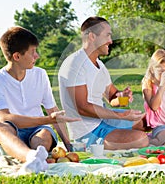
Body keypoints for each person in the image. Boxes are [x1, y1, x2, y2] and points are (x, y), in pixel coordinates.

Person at [0, 26, 79, 174]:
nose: (37, 56)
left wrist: (68, 145)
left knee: (44, 136)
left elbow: (53, 111)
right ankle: (32, 157)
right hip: (13, 132)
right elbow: (4, 117)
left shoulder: (40, 74)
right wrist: (46, 120)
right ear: (17, 57)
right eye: (33, 52)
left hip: (39, 130)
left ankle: (33, 158)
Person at [58, 16, 149, 150]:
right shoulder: (75, 64)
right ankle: (94, 145)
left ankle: (121, 136)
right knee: (141, 139)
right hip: (88, 131)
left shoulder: (99, 64)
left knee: (145, 121)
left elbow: (112, 97)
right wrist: (120, 115)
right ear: (92, 37)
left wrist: (121, 96)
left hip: (103, 120)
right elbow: (82, 107)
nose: (111, 41)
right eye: (107, 36)